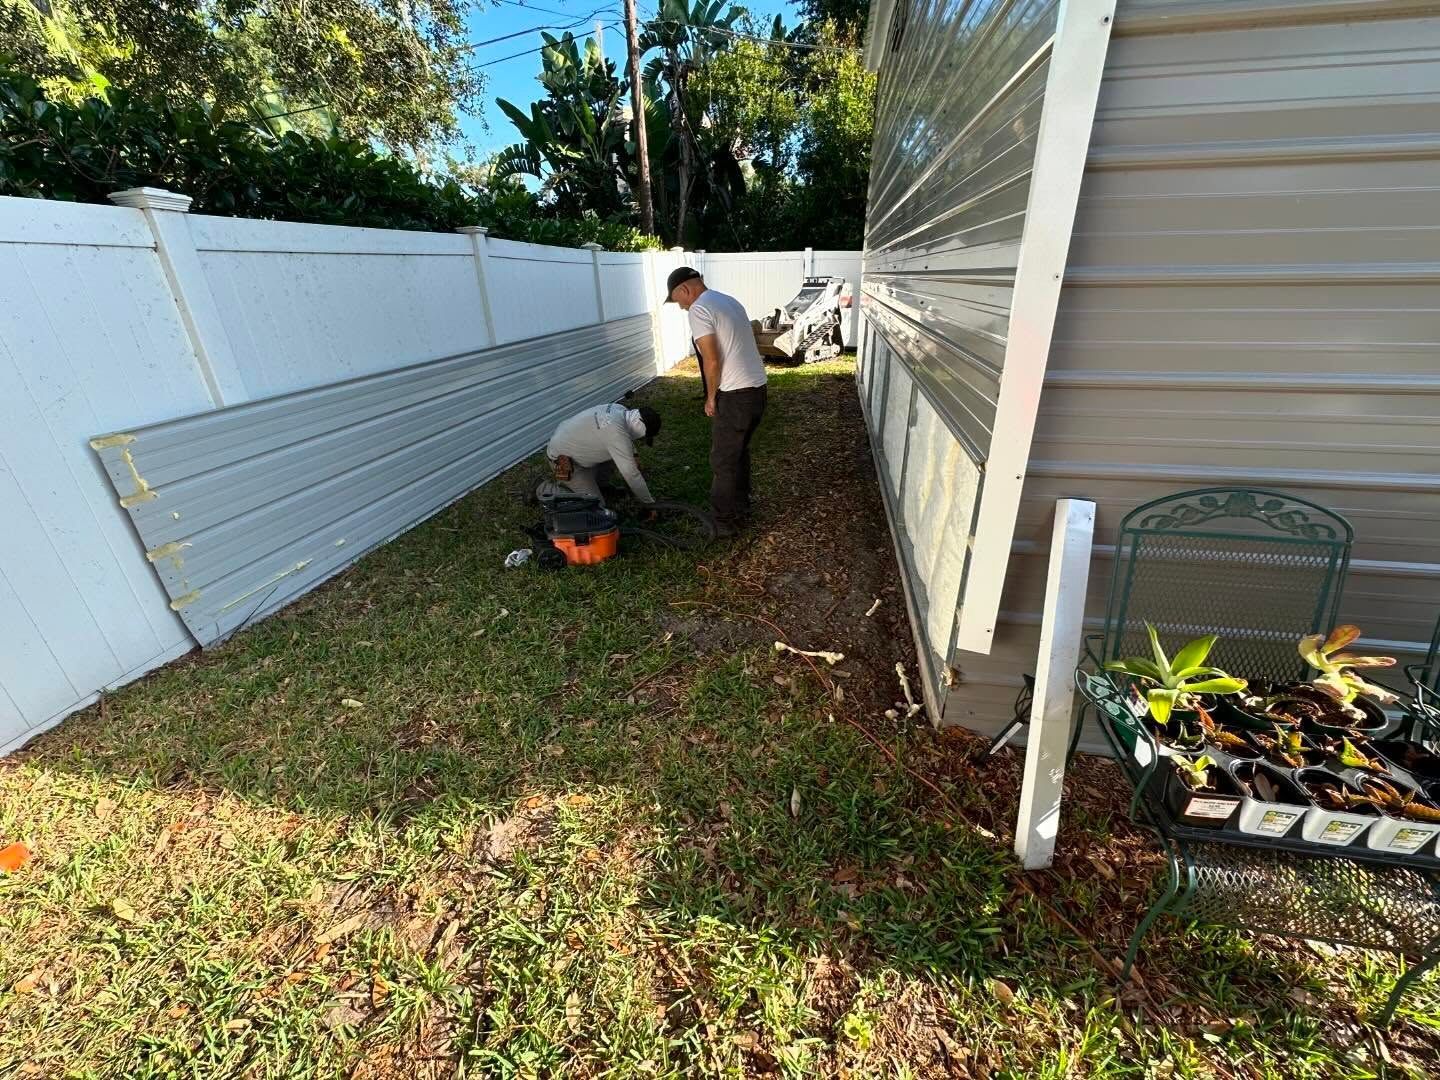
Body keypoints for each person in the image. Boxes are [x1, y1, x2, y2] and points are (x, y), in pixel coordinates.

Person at [664, 266, 767, 535]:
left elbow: (712, 359)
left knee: (722, 461)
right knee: (739, 453)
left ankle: (722, 523)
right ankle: (741, 509)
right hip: (757, 389)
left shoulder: (699, 309)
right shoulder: (729, 301)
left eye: (678, 301)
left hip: (735, 395)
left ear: (685, 290)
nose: (682, 308)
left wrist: (711, 397)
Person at [538, 402, 661, 507]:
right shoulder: (616, 434)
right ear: (640, 426)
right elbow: (631, 475)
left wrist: (634, 455)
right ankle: (543, 488)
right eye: (643, 436)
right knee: (595, 506)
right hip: (566, 461)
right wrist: (649, 503)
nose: (640, 439)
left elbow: (623, 438)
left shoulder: (619, 409)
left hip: (570, 443)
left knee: (618, 453)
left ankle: (601, 487)